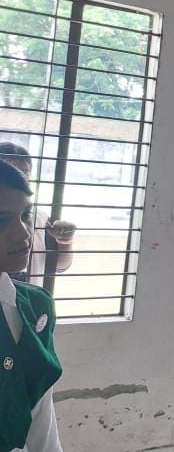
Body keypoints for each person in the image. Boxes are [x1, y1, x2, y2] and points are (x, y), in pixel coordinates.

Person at [0, 160, 63, 452]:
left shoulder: (34, 307)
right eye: (2, 220)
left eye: (26, 215)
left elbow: (41, 421)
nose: (23, 233)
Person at [0, 143, 76, 287]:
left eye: (24, 172)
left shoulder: (39, 217)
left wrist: (65, 241)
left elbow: (58, 266)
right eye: (11, 170)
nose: (18, 178)